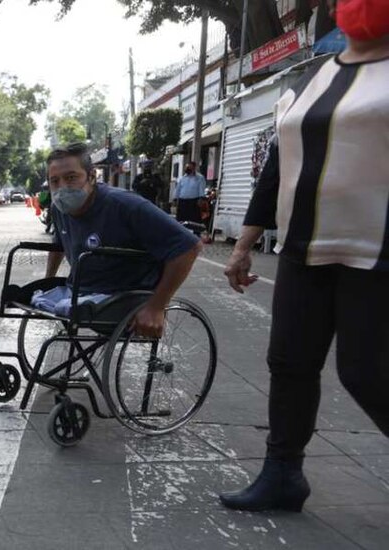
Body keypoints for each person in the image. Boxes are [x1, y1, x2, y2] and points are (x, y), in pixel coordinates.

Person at [218, 4, 389, 512]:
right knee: (289, 364)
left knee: (366, 372)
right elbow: (277, 166)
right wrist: (244, 244)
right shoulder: (316, 74)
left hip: (375, 254)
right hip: (302, 250)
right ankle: (282, 474)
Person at [42, 143, 202, 337]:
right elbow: (58, 244)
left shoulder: (126, 205)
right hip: (80, 289)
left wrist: (157, 306)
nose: (62, 188)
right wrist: (48, 281)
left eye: (71, 178)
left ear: (91, 177)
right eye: (55, 181)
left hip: (122, 294)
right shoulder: (60, 209)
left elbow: (189, 246)